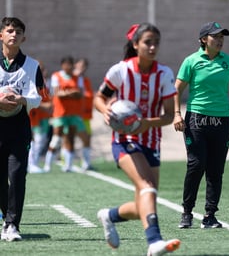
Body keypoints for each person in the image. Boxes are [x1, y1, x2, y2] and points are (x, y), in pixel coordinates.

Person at [94, 23, 180, 255]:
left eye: (156, 43)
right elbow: (99, 98)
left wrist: (145, 124)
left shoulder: (164, 74)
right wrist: (105, 111)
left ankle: (109, 215)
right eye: (147, 42)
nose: (152, 47)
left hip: (151, 141)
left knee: (145, 200)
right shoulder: (120, 70)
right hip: (124, 139)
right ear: (135, 45)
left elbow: (170, 116)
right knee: (147, 187)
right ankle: (154, 242)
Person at [173, 21, 229, 229]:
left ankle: (210, 215)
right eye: (215, 36)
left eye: (222, 37)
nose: (219, 40)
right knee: (196, 164)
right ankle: (187, 212)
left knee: (216, 170)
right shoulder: (191, 61)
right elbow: (177, 89)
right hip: (196, 120)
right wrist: (177, 114)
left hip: (221, 121)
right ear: (203, 40)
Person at [0, 17, 43, 241]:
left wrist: (22, 99)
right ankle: (7, 215)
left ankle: (12, 225)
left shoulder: (32, 65)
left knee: (17, 175)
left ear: (23, 38)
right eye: (9, 30)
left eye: (18, 32)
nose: (13, 34)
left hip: (18, 127)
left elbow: (40, 97)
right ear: (1, 35)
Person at [43, 56, 86, 172]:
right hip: (60, 112)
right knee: (56, 138)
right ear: (62, 65)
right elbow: (57, 93)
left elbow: (81, 93)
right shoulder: (56, 76)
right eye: (66, 64)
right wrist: (72, 92)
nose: (69, 67)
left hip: (74, 112)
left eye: (70, 64)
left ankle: (68, 165)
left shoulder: (78, 78)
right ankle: (47, 164)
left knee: (71, 138)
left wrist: (67, 93)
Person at [28, 60, 53, 174]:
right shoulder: (31, 82)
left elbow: (50, 97)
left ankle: (35, 163)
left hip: (44, 116)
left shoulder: (47, 83)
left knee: (41, 140)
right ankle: (32, 163)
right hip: (34, 114)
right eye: (41, 70)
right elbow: (31, 99)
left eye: (43, 70)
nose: (44, 72)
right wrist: (43, 106)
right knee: (34, 139)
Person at [73, 57, 93, 170]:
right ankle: (66, 162)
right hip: (75, 114)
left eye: (84, 66)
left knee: (87, 137)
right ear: (75, 65)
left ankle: (86, 163)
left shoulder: (85, 80)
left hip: (86, 114)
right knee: (68, 137)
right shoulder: (73, 79)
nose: (82, 68)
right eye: (80, 65)